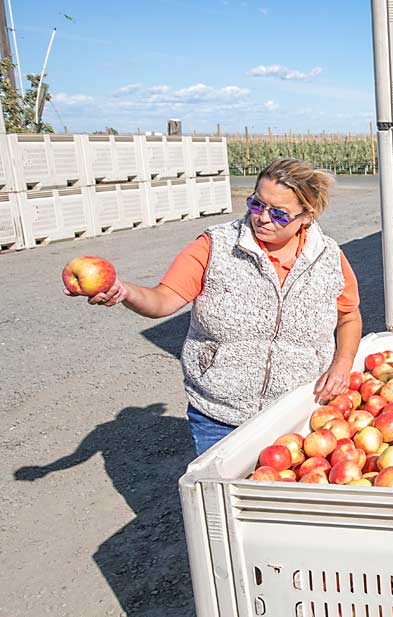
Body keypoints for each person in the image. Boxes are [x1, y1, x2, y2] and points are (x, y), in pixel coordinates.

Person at [67, 158, 363, 456]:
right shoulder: (216, 246)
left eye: (279, 214)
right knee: (225, 498)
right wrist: (125, 291)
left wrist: (342, 364)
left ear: (307, 217)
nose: (262, 218)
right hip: (220, 415)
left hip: (296, 414)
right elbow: (163, 300)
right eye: (257, 205)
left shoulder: (328, 259)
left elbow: (349, 316)